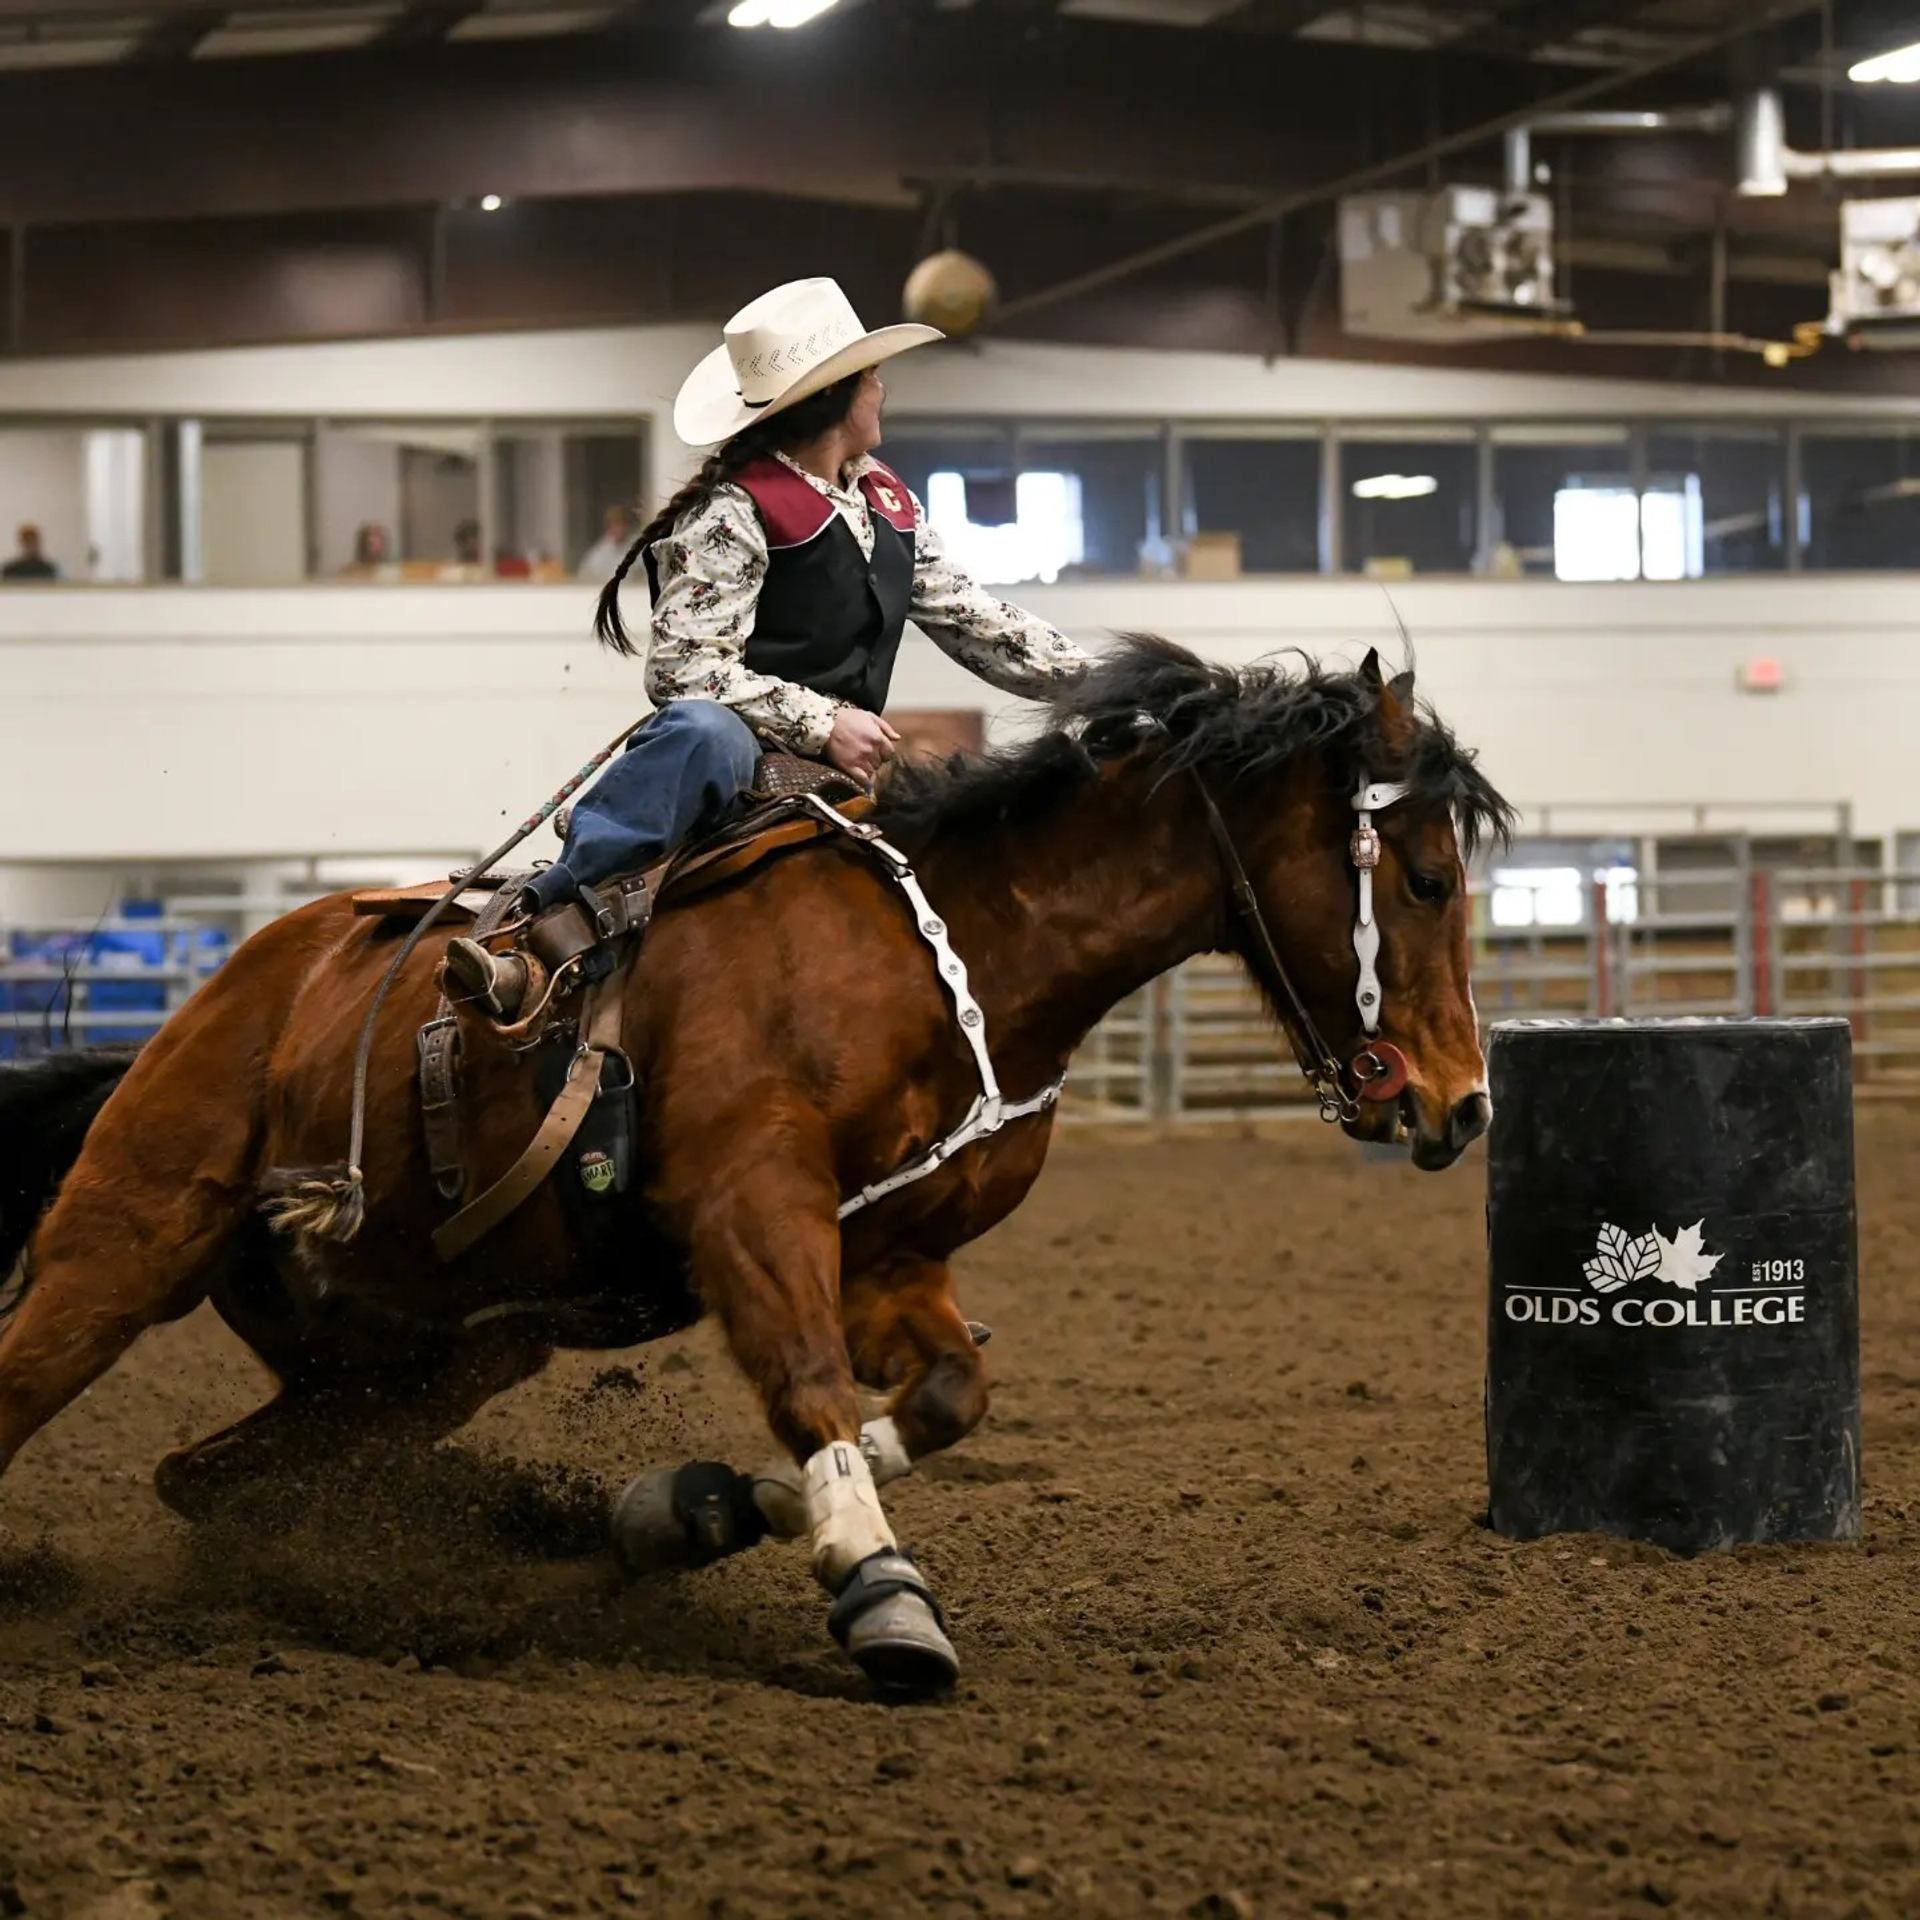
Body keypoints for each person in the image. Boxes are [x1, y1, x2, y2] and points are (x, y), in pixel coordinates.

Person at [445, 275, 1088, 1024]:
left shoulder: (885, 501)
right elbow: (685, 670)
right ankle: (550, 922)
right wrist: (825, 722)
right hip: (740, 754)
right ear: (840, 398)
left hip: (844, 765)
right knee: (701, 730)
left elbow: (975, 617)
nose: (882, 388)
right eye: (871, 375)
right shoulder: (737, 510)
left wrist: (1103, 685)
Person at [576, 503, 636, 581]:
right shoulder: (598, 553)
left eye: (621, 524)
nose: (618, 528)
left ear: (627, 525)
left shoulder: (637, 547)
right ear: (608, 526)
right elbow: (584, 575)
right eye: (614, 524)